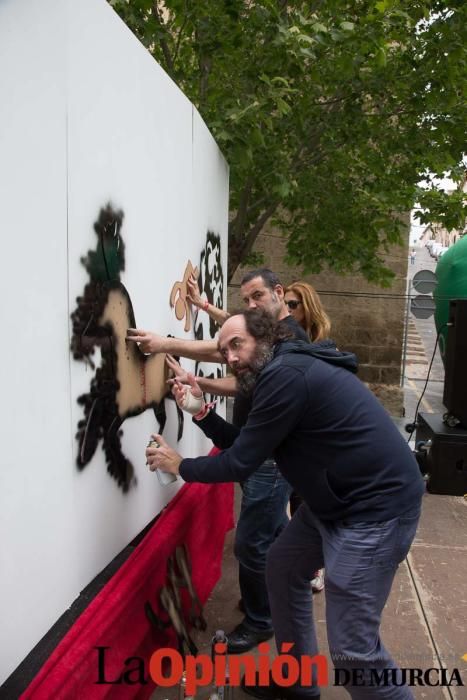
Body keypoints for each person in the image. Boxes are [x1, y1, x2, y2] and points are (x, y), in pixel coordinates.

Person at [147, 309, 425, 700]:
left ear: (265, 338)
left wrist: (181, 466)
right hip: (336, 501)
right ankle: (299, 681)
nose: (230, 357)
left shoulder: (285, 376)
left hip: (374, 511)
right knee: (282, 568)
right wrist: (201, 412)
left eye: (236, 344)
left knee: (353, 653)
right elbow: (248, 448)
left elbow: (240, 462)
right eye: (224, 349)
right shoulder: (275, 375)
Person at [127, 269, 310, 653]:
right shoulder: (267, 334)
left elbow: (222, 348)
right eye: (246, 299)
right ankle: (272, 600)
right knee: (273, 535)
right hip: (259, 450)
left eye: (257, 296)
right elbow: (233, 336)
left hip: (268, 459)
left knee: (251, 544)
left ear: (279, 293)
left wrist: (166, 345)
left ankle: (261, 620)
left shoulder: (289, 340)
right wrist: (203, 307)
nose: (251, 305)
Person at [284, 282, 332, 594]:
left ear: (307, 309)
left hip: (312, 436)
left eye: (293, 305)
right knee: (291, 500)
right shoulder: (281, 338)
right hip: (288, 432)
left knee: (307, 500)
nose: (287, 310)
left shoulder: (323, 347)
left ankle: (317, 564)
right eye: (284, 303)